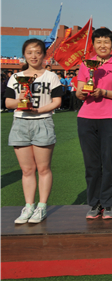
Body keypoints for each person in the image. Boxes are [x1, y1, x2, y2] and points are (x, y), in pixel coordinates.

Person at [6, 39, 63, 224]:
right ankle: (28, 206)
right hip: (20, 123)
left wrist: (38, 110)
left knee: (43, 168)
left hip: (42, 122)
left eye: (38, 52)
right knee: (27, 170)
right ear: (24, 54)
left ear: (44, 55)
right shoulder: (15, 77)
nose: (34, 56)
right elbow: (8, 103)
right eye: (30, 52)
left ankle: (41, 207)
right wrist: (21, 101)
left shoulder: (51, 76)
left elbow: (57, 101)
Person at [76, 28, 112, 219]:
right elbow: (79, 91)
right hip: (86, 118)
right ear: (93, 44)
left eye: (106, 41)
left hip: (111, 118)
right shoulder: (86, 64)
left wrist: (103, 92)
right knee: (91, 164)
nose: (102, 45)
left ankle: (107, 204)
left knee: (109, 163)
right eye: (98, 41)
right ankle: (94, 203)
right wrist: (82, 93)